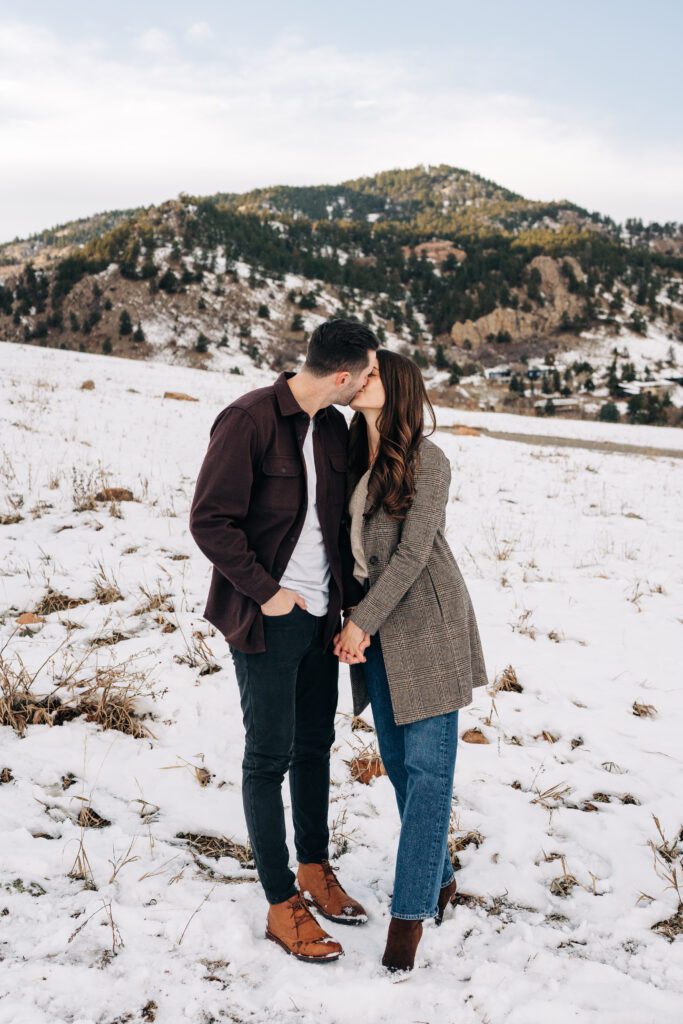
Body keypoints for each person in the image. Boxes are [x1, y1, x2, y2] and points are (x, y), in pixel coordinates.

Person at [189, 319, 378, 964]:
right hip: (268, 617)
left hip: (322, 617)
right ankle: (278, 901)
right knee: (267, 757)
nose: (372, 382)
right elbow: (209, 520)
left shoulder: (333, 427)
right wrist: (267, 591)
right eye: (371, 373)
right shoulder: (246, 421)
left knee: (315, 745)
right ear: (345, 376)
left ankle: (314, 867)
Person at [334, 349, 489, 972]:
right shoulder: (349, 454)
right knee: (398, 763)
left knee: (428, 771)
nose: (359, 379)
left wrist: (359, 623)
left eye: (370, 373)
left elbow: (413, 553)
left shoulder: (429, 459)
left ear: (393, 386)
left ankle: (409, 919)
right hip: (374, 628)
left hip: (426, 625)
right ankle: (441, 875)